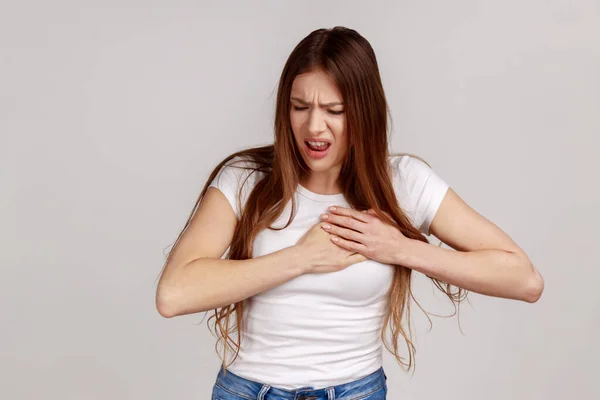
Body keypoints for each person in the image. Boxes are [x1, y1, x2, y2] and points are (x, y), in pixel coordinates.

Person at [155, 26, 544, 400]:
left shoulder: (403, 182)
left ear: (363, 112)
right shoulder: (245, 179)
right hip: (247, 392)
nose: (313, 126)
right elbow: (173, 294)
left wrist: (399, 248)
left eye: (334, 110)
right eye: (299, 107)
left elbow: (524, 279)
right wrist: (302, 258)